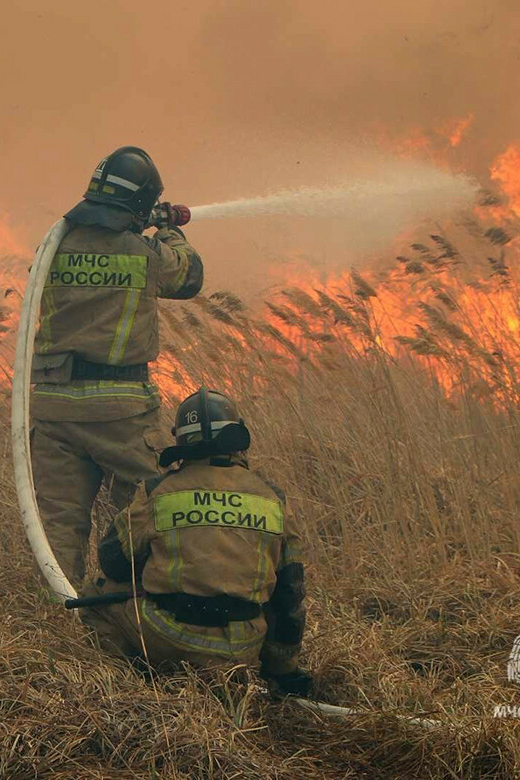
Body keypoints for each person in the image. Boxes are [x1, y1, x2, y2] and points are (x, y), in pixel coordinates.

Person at [31, 146, 203, 583]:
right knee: (149, 508)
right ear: (140, 203)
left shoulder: (54, 246)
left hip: (53, 409)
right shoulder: (143, 254)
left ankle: (59, 610)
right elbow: (189, 276)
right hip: (120, 412)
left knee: (57, 523)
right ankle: (140, 604)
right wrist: (167, 229)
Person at [79, 388, 311, 696]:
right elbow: (289, 595)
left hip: (169, 638)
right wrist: (283, 672)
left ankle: (134, 681)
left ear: (181, 441)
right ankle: (224, 678)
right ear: (236, 438)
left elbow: (113, 561)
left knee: (96, 590)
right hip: (240, 648)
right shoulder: (272, 498)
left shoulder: (159, 492)